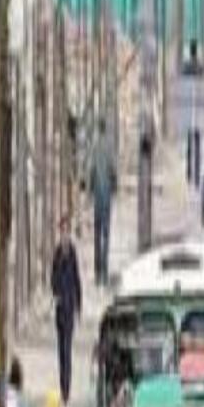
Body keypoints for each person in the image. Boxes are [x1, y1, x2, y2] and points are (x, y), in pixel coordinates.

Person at [49, 215, 83, 405]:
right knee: (60, 350)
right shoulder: (57, 254)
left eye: (66, 231)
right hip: (60, 308)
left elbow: (77, 278)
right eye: (62, 231)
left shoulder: (73, 253)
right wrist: (56, 293)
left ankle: (66, 389)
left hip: (69, 307)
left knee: (67, 349)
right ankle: (63, 383)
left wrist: (79, 304)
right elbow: (52, 276)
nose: (64, 235)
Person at [87, 118, 117, 287]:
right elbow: (113, 170)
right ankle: (104, 271)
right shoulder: (109, 147)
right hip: (106, 197)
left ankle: (97, 270)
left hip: (98, 196)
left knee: (97, 235)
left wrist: (91, 190)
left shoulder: (95, 146)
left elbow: (90, 170)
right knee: (106, 234)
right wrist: (114, 186)